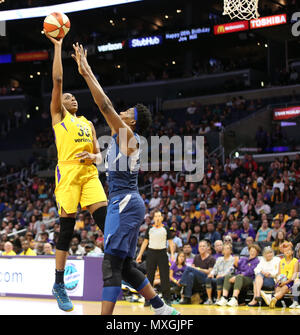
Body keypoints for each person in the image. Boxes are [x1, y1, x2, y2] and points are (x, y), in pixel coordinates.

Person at [70, 43, 179, 315]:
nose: (124, 111)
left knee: (111, 264)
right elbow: (111, 162)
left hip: (125, 202)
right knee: (125, 265)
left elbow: (104, 103)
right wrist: (93, 158)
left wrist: (86, 72)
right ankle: (160, 308)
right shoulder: (123, 141)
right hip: (126, 202)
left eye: (129, 112)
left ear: (132, 122)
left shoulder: (128, 136)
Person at [44, 33, 108, 312]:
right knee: (67, 229)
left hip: (89, 172)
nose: (72, 99)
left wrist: (94, 156)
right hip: (68, 173)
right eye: (67, 97)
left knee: (108, 223)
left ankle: (124, 267)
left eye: (73, 97)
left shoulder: (88, 123)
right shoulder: (59, 117)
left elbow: (101, 155)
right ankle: (59, 283)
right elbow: (57, 81)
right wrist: (58, 47)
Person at [137, 210, 175, 306]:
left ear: (162, 218)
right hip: (151, 253)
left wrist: (173, 254)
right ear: (153, 218)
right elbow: (145, 242)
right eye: (156, 216)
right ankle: (148, 299)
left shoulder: (166, 228)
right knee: (149, 276)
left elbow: (170, 242)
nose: (157, 218)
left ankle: (167, 299)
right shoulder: (150, 228)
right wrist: (140, 254)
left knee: (164, 277)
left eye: (159, 216)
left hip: (162, 253)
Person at [261, 242, 299, 308]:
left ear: (292, 252)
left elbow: (294, 276)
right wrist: (279, 281)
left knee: (284, 288)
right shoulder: (281, 261)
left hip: (290, 281)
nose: (287, 252)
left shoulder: (295, 261)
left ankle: (271, 298)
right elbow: (279, 274)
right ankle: (273, 301)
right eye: (285, 250)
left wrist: (285, 282)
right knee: (277, 288)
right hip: (282, 280)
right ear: (283, 252)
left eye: (289, 250)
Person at [179, 240, 216, 304]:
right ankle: (187, 298)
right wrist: (195, 269)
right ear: (198, 248)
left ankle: (182, 282)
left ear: (207, 248)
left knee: (188, 268)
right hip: (196, 278)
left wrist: (198, 269)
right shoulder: (196, 257)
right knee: (190, 275)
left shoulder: (211, 258)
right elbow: (193, 268)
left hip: (206, 278)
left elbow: (210, 271)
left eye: (204, 246)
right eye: (200, 246)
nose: (202, 248)